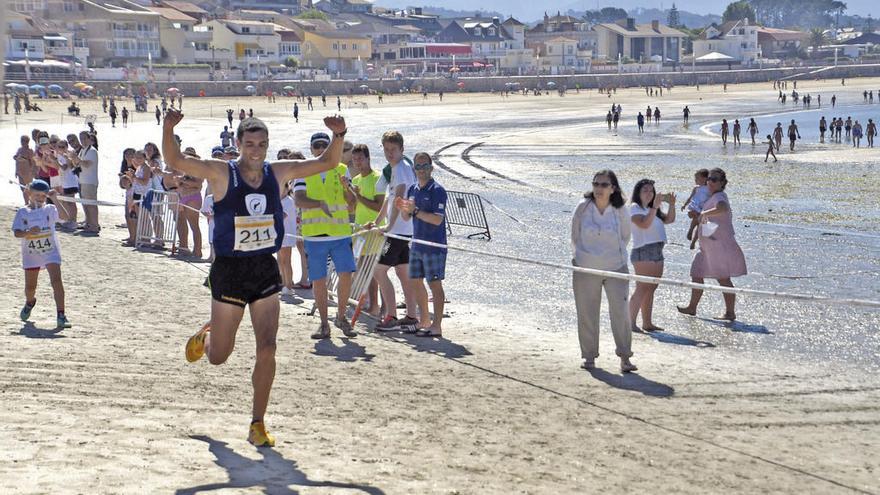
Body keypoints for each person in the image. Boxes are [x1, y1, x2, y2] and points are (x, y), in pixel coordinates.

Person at [164, 108, 347, 447]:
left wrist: (339, 135)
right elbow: (174, 158)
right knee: (219, 357)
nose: (256, 151)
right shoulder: (221, 174)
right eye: (250, 144)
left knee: (268, 347)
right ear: (238, 144)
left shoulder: (277, 173)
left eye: (262, 144)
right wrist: (168, 126)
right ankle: (207, 337)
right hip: (230, 272)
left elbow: (326, 163)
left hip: (264, 268)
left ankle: (257, 423)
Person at [570, 170, 637, 373]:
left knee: (621, 313)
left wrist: (611, 256)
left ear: (613, 188)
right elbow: (574, 235)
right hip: (585, 266)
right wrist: (583, 258)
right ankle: (589, 356)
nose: (599, 189)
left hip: (616, 266)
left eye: (604, 185)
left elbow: (625, 237)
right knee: (587, 312)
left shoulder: (620, 209)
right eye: (596, 184)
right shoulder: (583, 207)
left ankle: (625, 357)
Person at [295, 132, 358, 339]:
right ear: (311, 149)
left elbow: (351, 205)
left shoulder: (342, 169)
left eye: (325, 146)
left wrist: (347, 189)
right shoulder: (303, 171)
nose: (321, 149)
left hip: (340, 234)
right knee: (319, 280)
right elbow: (299, 200)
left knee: (346, 275)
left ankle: (341, 316)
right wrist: (319, 204)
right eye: (317, 146)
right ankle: (324, 323)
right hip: (314, 236)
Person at [678, 168, 747, 321]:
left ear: (722, 183)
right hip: (707, 246)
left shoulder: (720, 196)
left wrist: (704, 213)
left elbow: (723, 208)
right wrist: (696, 215)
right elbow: (706, 220)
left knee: (723, 279)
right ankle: (692, 307)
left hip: (718, 246)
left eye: (715, 180)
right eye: (709, 179)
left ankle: (730, 312)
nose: (710, 182)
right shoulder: (710, 197)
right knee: (696, 273)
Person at [372, 131, 419, 332]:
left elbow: (399, 197)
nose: (390, 153)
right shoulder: (396, 168)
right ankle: (411, 315)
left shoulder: (401, 168)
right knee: (402, 272)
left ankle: (391, 315)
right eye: (386, 149)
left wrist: (388, 227)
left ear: (402, 149)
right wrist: (376, 222)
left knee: (378, 270)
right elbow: (389, 198)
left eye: (393, 149)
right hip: (403, 230)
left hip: (398, 231)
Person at [399, 152, 447, 336]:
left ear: (431, 167)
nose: (421, 170)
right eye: (418, 166)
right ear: (414, 169)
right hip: (417, 243)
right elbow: (406, 216)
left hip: (434, 246)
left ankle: (437, 325)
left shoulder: (437, 190)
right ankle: (424, 320)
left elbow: (437, 220)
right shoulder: (413, 189)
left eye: (424, 166)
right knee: (416, 282)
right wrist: (403, 209)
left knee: (435, 283)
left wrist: (415, 211)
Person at [14, 179, 71, 329]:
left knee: (56, 281)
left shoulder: (50, 209)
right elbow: (17, 233)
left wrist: (55, 199)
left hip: (50, 251)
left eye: (43, 196)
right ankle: (30, 302)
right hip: (32, 254)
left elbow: (65, 217)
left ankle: (61, 314)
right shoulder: (22, 212)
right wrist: (28, 232)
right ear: (29, 193)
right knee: (30, 287)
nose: (40, 198)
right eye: (37, 195)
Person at [628, 179, 675, 332]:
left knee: (651, 288)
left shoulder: (652, 209)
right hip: (643, 250)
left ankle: (647, 323)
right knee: (642, 287)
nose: (649, 193)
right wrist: (654, 207)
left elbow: (669, 219)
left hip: (657, 250)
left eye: (651, 190)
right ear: (638, 193)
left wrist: (672, 204)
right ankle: (629, 323)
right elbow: (644, 224)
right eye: (645, 190)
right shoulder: (635, 208)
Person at [349, 144, 384, 317]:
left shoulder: (378, 177)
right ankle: (372, 303)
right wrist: (349, 194)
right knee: (362, 269)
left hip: (374, 230)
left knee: (375, 270)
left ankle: (379, 306)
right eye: (354, 159)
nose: (357, 162)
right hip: (360, 230)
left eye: (360, 159)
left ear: (368, 158)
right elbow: (352, 208)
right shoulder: (355, 180)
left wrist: (359, 197)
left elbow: (379, 207)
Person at [65, 131, 100, 233]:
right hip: (82, 180)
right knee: (86, 204)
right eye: (81, 139)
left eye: (85, 138)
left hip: (90, 181)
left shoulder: (92, 151)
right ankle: (89, 224)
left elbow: (87, 164)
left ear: (90, 139)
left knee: (91, 204)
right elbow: (77, 164)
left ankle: (95, 225)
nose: (83, 141)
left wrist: (76, 158)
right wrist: (71, 158)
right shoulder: (83, 150)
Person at [682, 169, 710, 241]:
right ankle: (691, 230)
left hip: (703, 208)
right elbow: (690, 197)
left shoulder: (709, 188)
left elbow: (711, 198)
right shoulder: (696, 188)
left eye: (697, 178)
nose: (695, 180)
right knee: (696, 218)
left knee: (699, 224)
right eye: (695, 178)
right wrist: (684, 205)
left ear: (705, 179)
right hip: (694, 207)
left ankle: (694, 241)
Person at [14, 135, 36, 204]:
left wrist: (33, 172)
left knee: (28, 188)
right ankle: (26, 203)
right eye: (22, 140)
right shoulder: (19, 149)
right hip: (20, 171)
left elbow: (33, 162)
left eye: (25, 141)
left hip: (27, 172)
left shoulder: (30, 150)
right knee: (22, 188)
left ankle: (32, 202)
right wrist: (16, 171)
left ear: (28, 142)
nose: (23, 142)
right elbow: (16, 160)